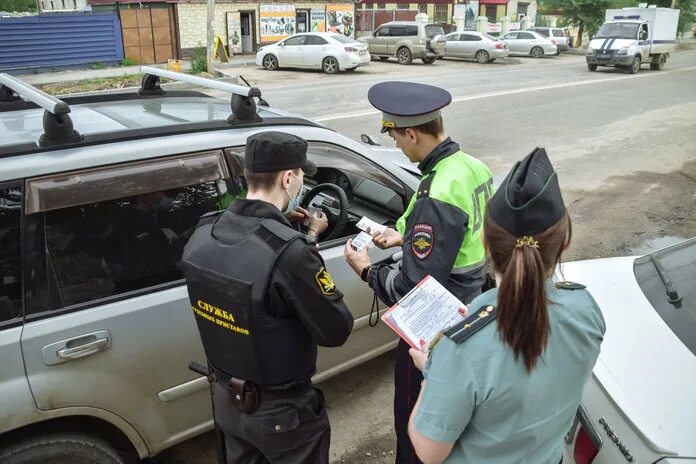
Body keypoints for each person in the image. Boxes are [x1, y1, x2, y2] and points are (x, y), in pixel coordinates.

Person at [407, 148, 606, 464]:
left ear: (485, 241)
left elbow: (429, 451)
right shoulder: (586, 310)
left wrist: (432, 372)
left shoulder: (460, 350)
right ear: (564, 243)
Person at [181, 131, 354, 464]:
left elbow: (245, 258)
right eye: (301, 177)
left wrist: (295, 231)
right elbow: (336, 330)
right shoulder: (291, 254)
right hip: (283, 417)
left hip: (226, 403)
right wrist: (302, 239)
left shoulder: (202, 233)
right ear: (288, 179)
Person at [344, 81, 494, 464]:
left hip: (434, 330)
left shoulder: (438, 191)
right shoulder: (469, 167)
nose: (395, 145)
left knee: (416, 424)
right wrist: (403, 235)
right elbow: (466, 233)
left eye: (395, 137)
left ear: (412, 133)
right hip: (472, 302)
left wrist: (366, 272)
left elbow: (414, 288)